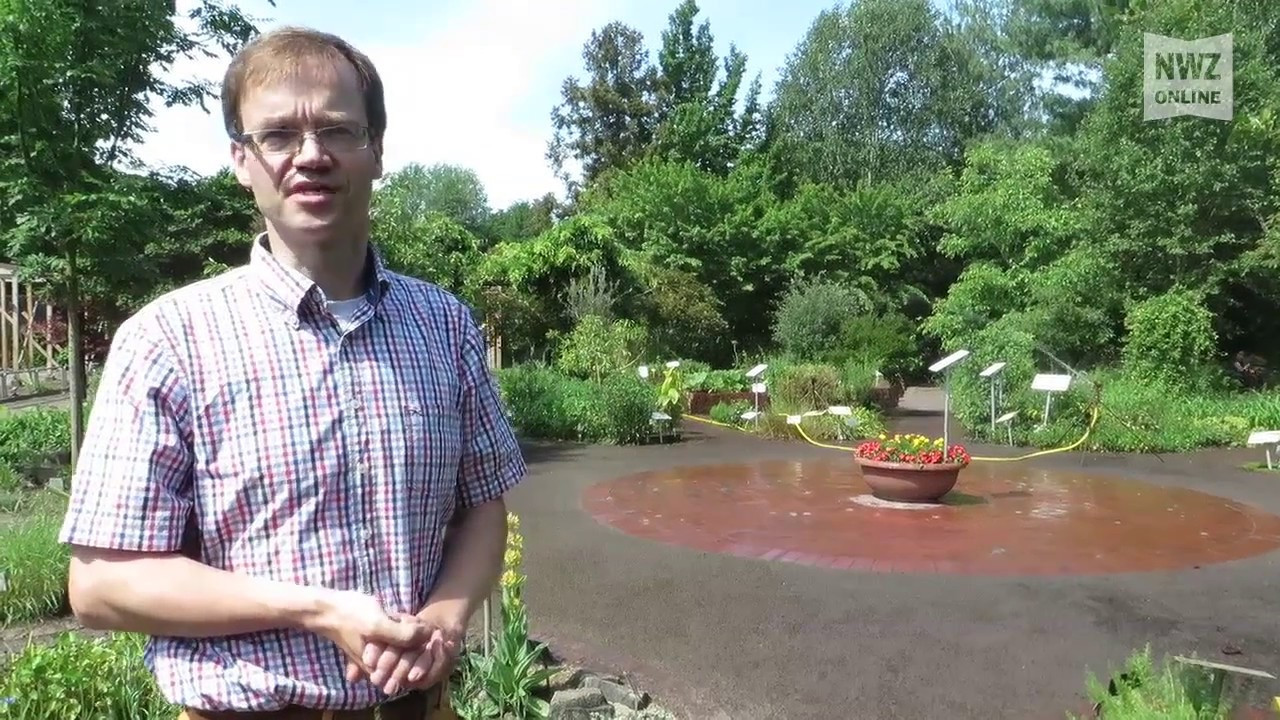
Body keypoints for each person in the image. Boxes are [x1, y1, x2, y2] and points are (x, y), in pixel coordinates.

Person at [57, 25, 526, 720]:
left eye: (337, 129)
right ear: (241, 160)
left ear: (377, 150)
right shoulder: (167, 341)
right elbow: (101, 585)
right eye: (278, 135)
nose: (310, 156)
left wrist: (448, 618)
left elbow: (484, 508)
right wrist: (313, 609)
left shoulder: (446, 326)